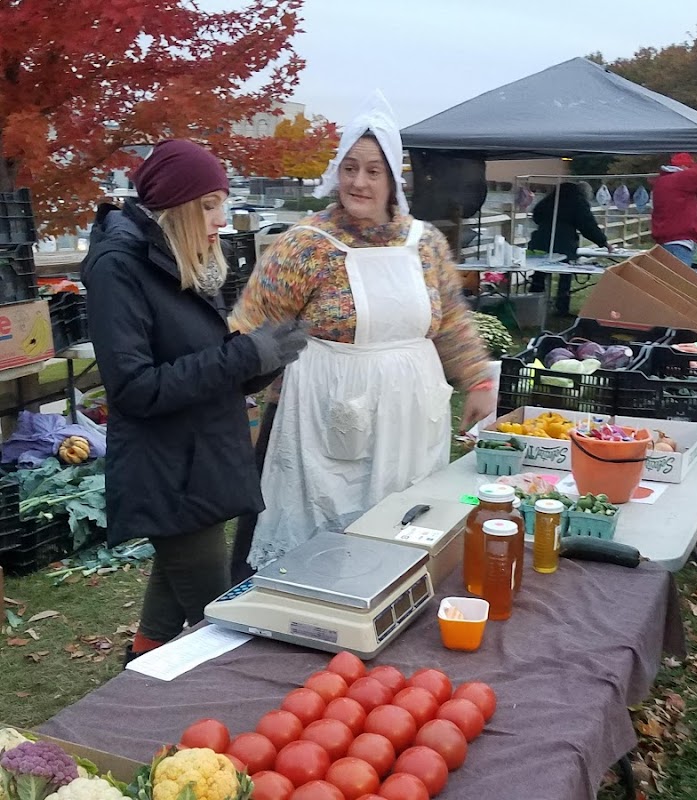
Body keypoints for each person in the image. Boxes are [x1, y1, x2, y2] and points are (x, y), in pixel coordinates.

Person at [229, 91, 493, 579]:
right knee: (310, 542)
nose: (359, 181)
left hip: (408, 416)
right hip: (321, 420)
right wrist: (244, 412)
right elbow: (248, 330)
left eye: (373, 170)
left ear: (393, 178)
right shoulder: (304, 246)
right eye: (350, 167)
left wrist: (477, 381)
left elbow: (452, 319)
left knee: (403, 526)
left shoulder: (425, 243)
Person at [81, 139, 307, 660]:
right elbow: (136, 389)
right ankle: (227, 708)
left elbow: (198, 360)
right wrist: (243, 356)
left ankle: (139, 671)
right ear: (176, 206)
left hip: (199, 463)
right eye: (209, 205)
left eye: (222, 203)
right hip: (169, 473)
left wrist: (262, 360)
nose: (220, 219)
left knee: (170, 587)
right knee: (219, 621)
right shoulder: (119, 267)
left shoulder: (178, 259)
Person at [527, 181, 612, 316]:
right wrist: (603, 242)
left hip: (540, 241)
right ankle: (561, 307)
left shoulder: (549, 201)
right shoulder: (578, 203)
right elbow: (588, 225)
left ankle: (533, 304)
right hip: (564, 243)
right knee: (565, 275)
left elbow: (536, 216)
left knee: (539, 274)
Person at [650, 152, 697, 266]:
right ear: (684, 167)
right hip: (679, 243)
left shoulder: (666, 181)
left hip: (671, 242)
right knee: (678, 282)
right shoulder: (679, 179)